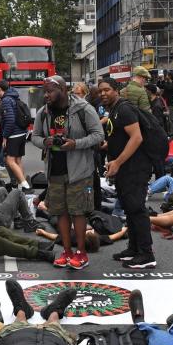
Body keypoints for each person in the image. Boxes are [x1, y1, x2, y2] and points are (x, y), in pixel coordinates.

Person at [31, 75, 104, 270]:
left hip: (79, 170)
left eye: (50, 91)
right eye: (44, 91)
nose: (46, 95)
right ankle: (67, 251)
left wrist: (75, 144)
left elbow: (98, 135)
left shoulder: (83, 109)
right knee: (60, 212)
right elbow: (35, 136)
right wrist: (45, 142)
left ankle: (81, 253)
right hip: (54, 169)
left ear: (63, 90)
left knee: (78, 212)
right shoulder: (43, 112)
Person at [100, 77, 155, 269]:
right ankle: (133, 248)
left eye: (107, 90)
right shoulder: (114, 110)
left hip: (135, 168)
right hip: (124, 169)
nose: (103, 94)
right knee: (129, 208)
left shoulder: (124, 109)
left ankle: (147, 254)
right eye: (100, 91)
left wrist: (117, 161)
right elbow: (121, 136)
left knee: (137, 209)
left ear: (117, 90)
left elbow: (136, 137)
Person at [0, 80, 30, 189]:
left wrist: (5, 136)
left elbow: (10, 120)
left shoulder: (6, 100)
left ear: (0, 89)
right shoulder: (14, 97)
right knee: (17, 161)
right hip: (21, 133)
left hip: (13, 134)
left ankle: (25, 185)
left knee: (9, 161)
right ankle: (22, 186)